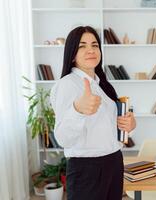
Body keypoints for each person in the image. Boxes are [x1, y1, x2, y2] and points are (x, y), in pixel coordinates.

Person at [50, 26, 136, 200]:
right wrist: (78, 110)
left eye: (95, 45)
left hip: (113, 162)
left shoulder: (102, 84)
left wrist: (130, 125)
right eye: (82, 46)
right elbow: (63, 138)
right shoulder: (67, 84)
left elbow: (110, 126)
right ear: (72, 53)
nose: (90, 50)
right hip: (87, 169)